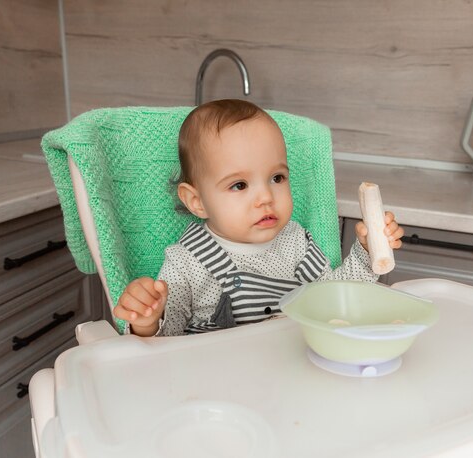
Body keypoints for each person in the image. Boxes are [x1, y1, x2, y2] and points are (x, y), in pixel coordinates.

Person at [114, 99, 404, 336]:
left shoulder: (295, 241)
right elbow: (165, 343)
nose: (266, 197)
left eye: (277, 177)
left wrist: (367, 252)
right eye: (239, 185)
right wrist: (147, 320)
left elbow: (333, 300)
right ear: (197, 202)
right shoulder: (186, 262)